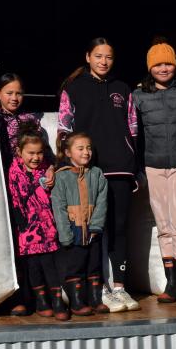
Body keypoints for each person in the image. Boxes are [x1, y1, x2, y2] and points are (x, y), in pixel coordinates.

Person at [57, 37, 140, 312]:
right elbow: (63, 127)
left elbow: (134, 129)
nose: (104, 61)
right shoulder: (74, 88)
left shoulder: (122, 88)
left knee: (118, 229)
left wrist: (135, 167)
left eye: (109, 57)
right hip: (88, 172)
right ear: (88, 57)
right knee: (92, 230)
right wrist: (65, 164)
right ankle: (98, 288)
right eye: (98, 56)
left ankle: (120, 287)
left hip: (120, 168)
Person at [132, 41, 176, 306]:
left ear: (175, 64)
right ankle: (171, 284)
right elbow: (133, 135)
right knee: (163, 226)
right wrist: (137, 168)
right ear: (150, 67)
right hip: (153, 166)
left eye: (168, 63)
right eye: (158, 64)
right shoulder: (138, 97)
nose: (163, 68)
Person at [0, 73, 54, 315]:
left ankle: (39, 297)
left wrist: (50, 168)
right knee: (9, 244)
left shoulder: (30, 120)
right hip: (4, 186)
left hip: (31, 192)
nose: (15, 98)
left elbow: (45, 153)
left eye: (18, 93)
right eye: (9, 93)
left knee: (32, 245)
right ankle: (16, 297)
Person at [8, 125, 69, 321]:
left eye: (40, 153)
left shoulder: (46, 169)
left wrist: (51, 169)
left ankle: (57, 301)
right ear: (19, 151)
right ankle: (41, 302)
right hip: (28, 230)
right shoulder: (14, 171)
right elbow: (15, 198)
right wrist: (22, 224)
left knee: (51, 267)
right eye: (31, 153)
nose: (36, 158)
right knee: (33, 268)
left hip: (47, 227)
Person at [52, 132, 109, 315]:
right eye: (81, 148)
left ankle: (95, 299)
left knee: (94, 265)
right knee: (75, 266)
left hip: (92, 229)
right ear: (68, 153)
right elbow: (58, 207)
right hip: (73, 229)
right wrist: (65, 235)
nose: (86, 152)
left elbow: (102, 201)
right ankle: (76, 302)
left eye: (89, 148)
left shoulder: (97, 174)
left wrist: (96, 225)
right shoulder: (61, 177)